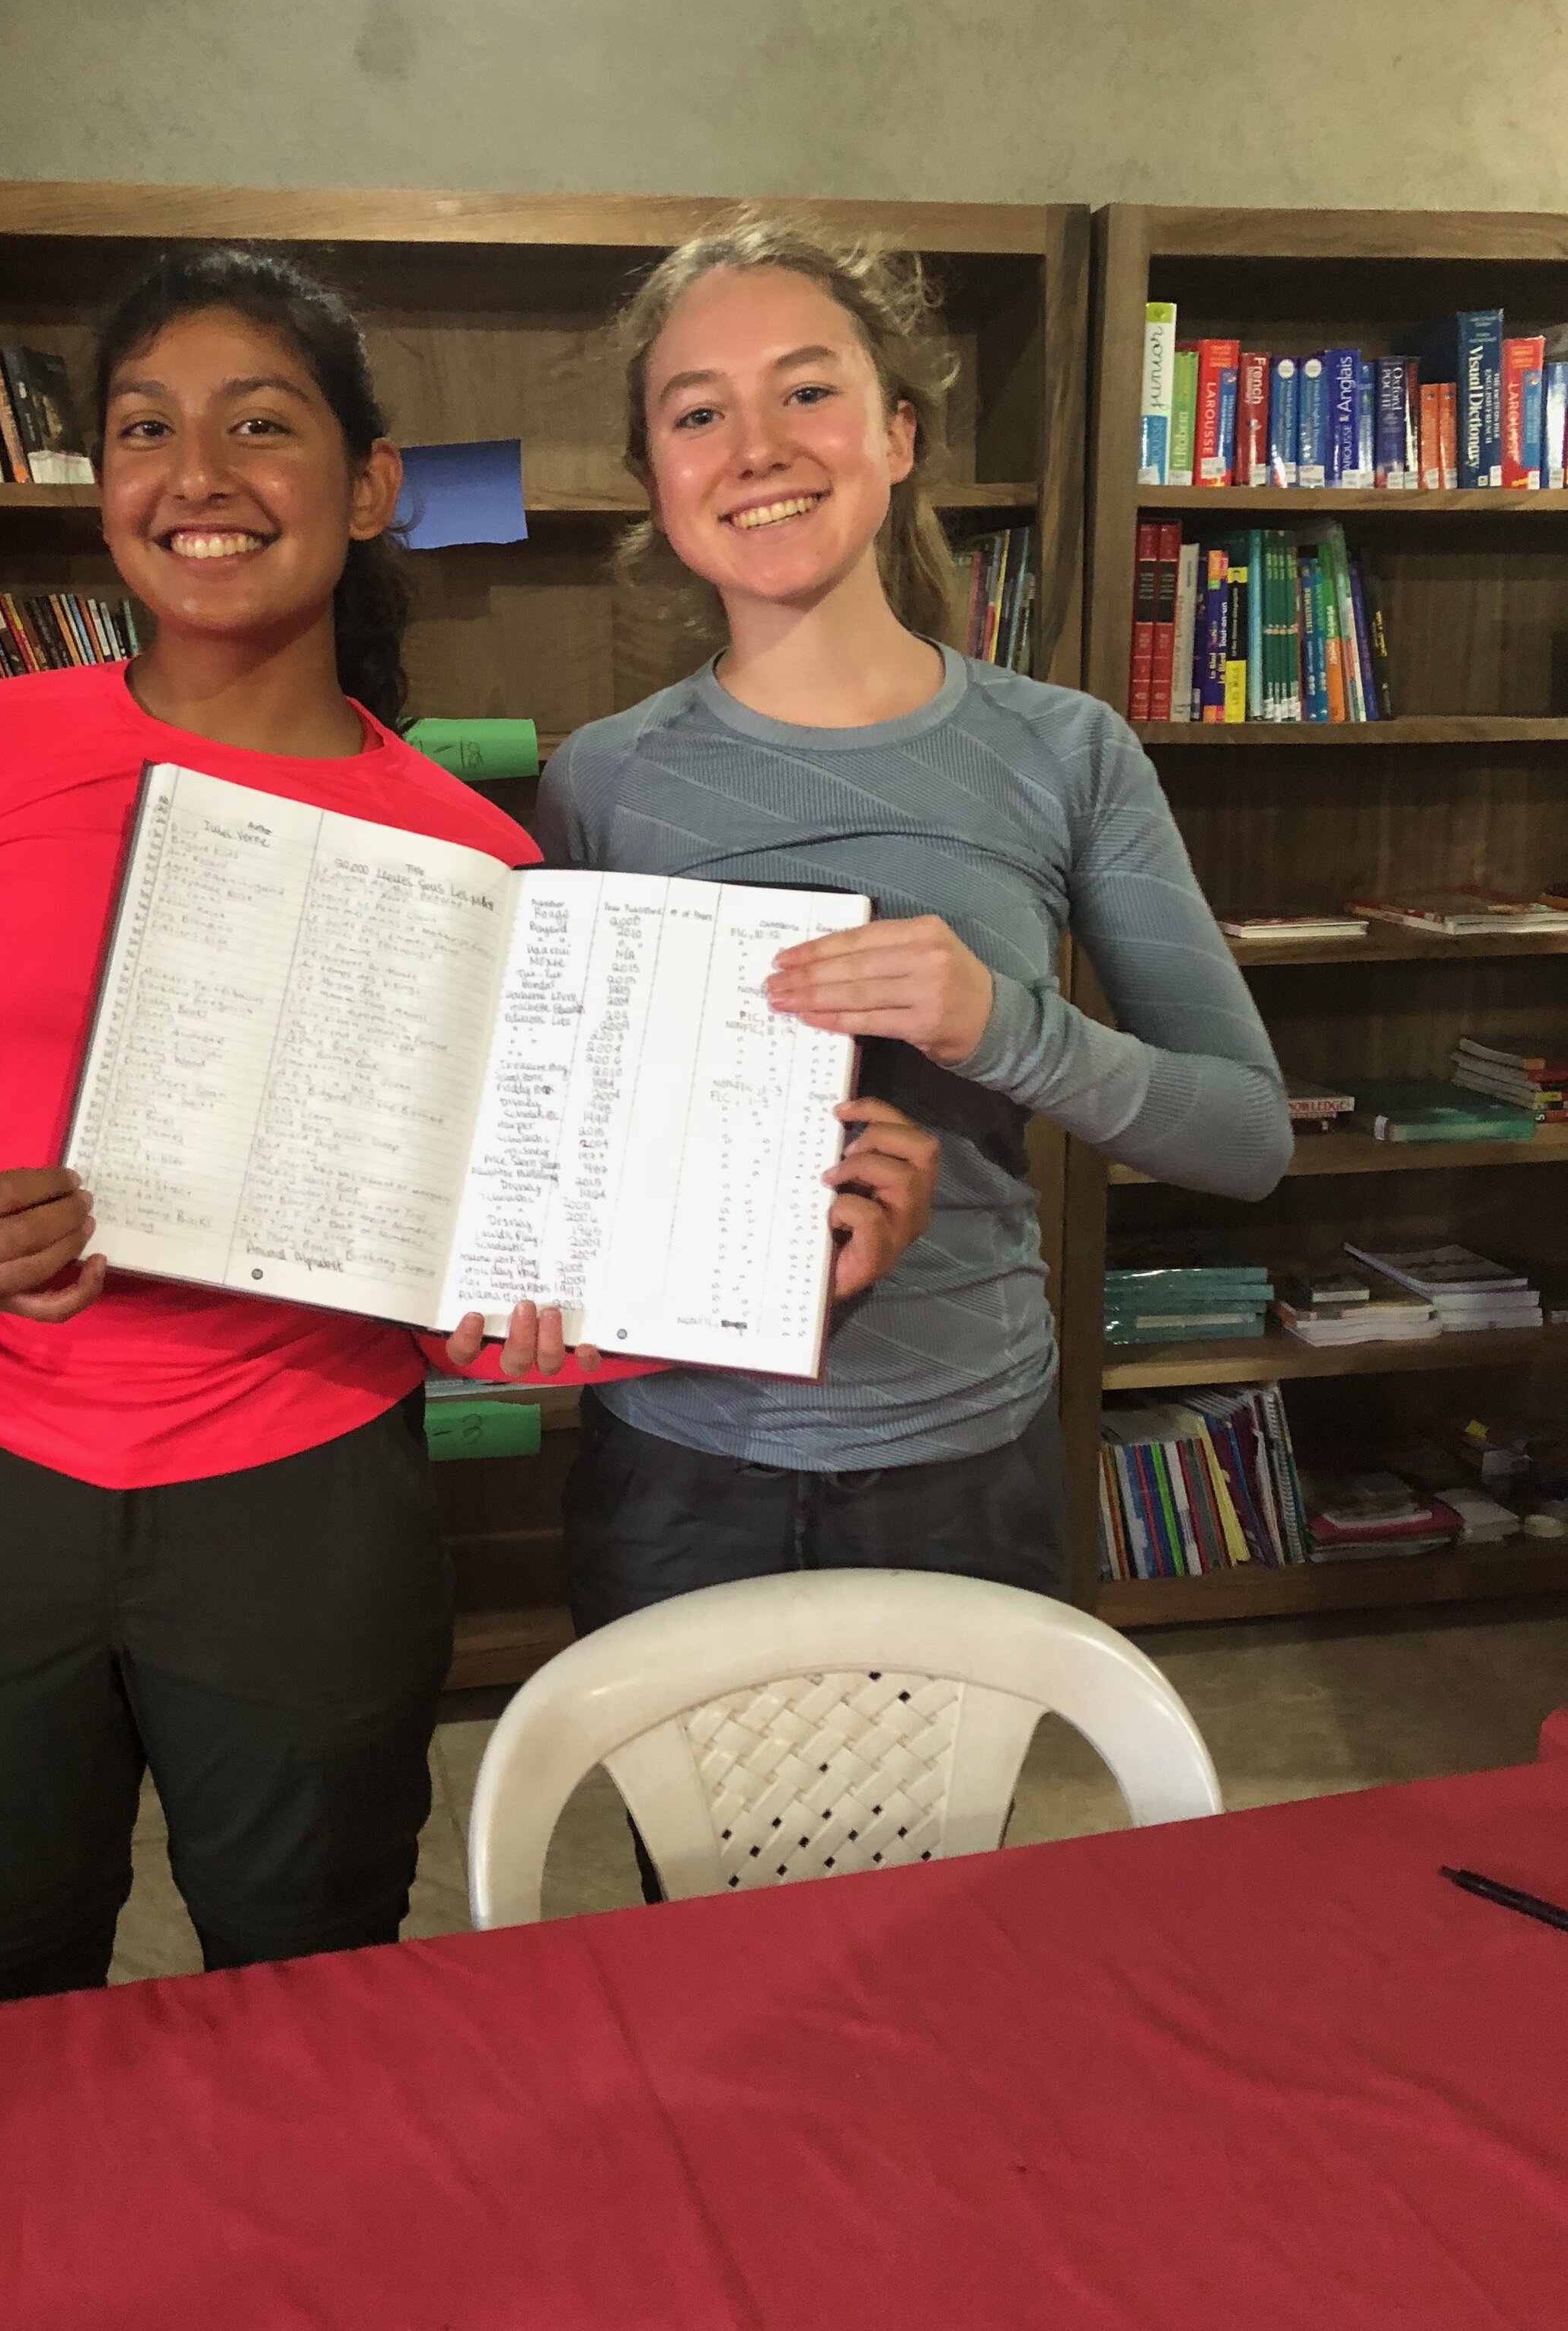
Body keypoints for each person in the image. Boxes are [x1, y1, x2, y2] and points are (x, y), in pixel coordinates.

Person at [0, 243, 934, 2015]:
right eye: (145, 431)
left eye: (261, 424)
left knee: (308, 1985)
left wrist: (791, 1263)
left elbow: (474, 1295)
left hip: (304, 1507)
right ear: (103, 486)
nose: (199, 477)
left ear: (369, 482)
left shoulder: (476, 864)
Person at [539, 213, 1292, 1655]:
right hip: (671, 1470)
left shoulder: (1066, 750)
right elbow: (576, 1161)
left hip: (968, 1466)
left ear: (898, 433)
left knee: (945, 1890)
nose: (756, 445)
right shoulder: (600, 777)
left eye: (807, 389)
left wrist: (1004, 1025)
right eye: (699, 413)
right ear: (657, 480)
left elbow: (1246, 1135)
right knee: (705, 1890)